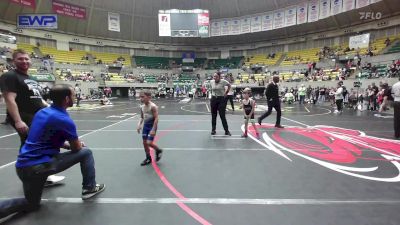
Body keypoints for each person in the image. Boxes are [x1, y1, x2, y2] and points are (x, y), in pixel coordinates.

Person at [0, 84, 105, 220]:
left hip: (22, 166)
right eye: (73, 95)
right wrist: (74, 144)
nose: (75, 97)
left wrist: (66, 144)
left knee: (32, 203)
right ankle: (89, 188)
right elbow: (77, 149)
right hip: (39, 167)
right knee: (86, 152)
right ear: (67, 99)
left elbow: (41, 137)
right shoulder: (64, 120)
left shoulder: (42, 112)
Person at [0, 49, 64, 186]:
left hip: (38, 117)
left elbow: (38, 99)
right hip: (25, 117)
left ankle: (39, 175)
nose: (24, 61)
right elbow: (10, 99)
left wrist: (52, 109)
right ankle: (32, 176)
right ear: (13, 61)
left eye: (26, 59)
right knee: (32, 145)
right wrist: (18, 121)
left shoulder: (31, 78)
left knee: (35, 145)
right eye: (20, 59)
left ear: (31, 61)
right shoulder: (10, 76)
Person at [137, 91, 163, 166]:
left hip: (152, 126)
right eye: (140, 97)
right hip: (145, 126)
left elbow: (156, 118)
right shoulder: (142, 107)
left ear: (149, 97)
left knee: (149, 143)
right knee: (145, 143)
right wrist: (139, 125)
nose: (141, 99)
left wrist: (153, 129)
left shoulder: (153, 106)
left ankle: (158, 150)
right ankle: (148, 158)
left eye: (143, 97)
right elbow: (142, 117)